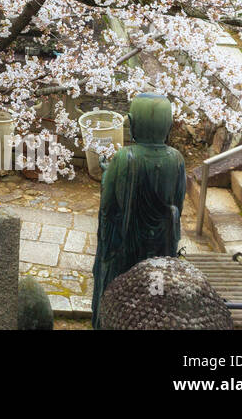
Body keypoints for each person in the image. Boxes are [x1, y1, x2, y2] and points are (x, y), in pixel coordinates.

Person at [91, 93, 187, 328]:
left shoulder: (125, 157)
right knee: (152, 301)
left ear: (132, 123)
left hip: (125, 251)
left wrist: (107, 174)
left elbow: (108, 208)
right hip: (159, 252)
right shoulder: (176, 159)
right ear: (168, 125)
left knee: (119, 299)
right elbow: (178, 205)